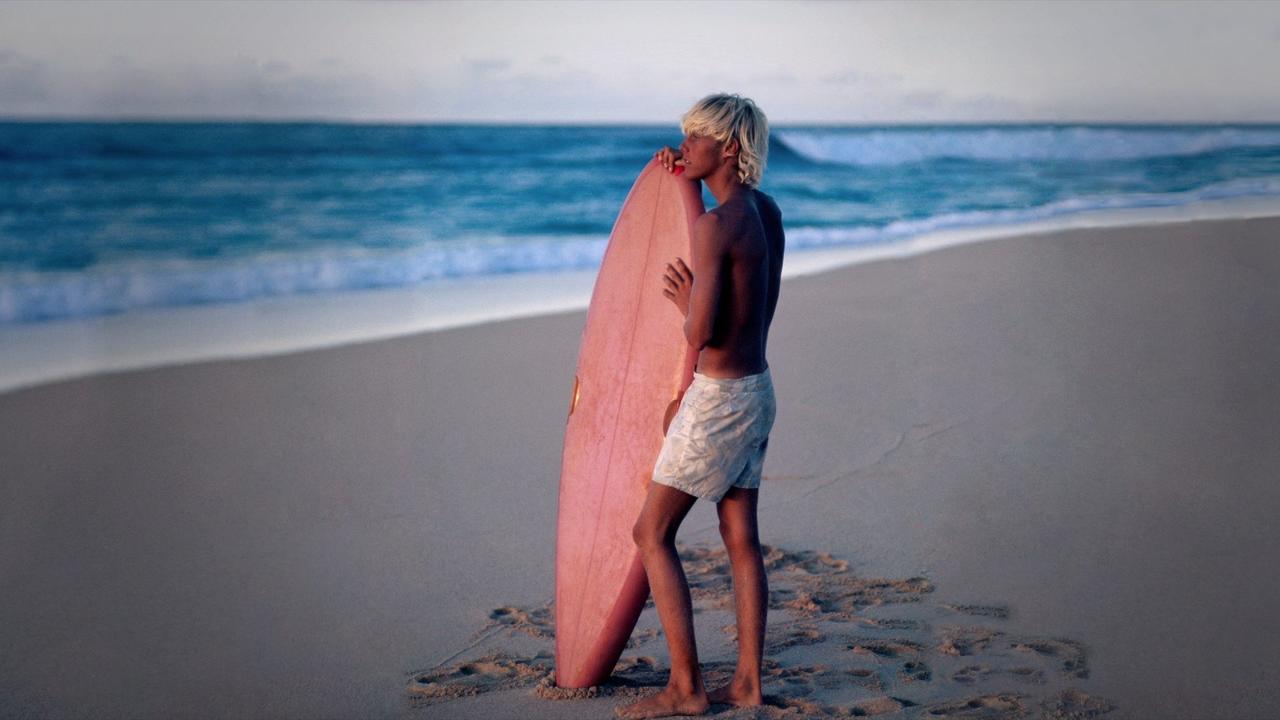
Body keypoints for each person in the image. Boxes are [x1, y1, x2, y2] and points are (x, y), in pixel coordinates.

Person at [616, 93, 785, 720]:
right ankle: (746, 682)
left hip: (718, 401)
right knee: (741, 537)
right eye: (683, 137)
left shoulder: (715, 227)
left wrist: (687, 300)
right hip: (757, 390)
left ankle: (685, 688)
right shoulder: (765, 212)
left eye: (695, 138)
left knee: (651, 533)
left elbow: (700, 333)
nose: (684, 145)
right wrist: (675, 174)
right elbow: (760, 310)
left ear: (729, 148)